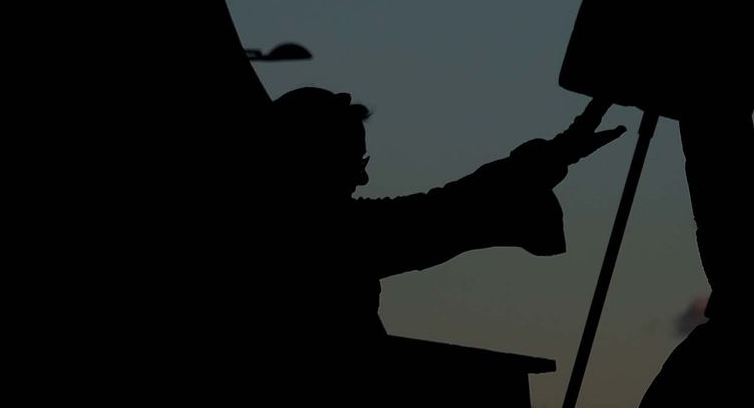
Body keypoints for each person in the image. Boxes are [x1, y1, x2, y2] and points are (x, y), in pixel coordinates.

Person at [266, 88, 625, 353]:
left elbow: (442, 211)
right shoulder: (330, 231)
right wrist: (555, 154)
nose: (362, 180)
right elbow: (443, 213)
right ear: (316, 159)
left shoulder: (308, 224)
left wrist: (553, 155)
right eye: (355, 163)